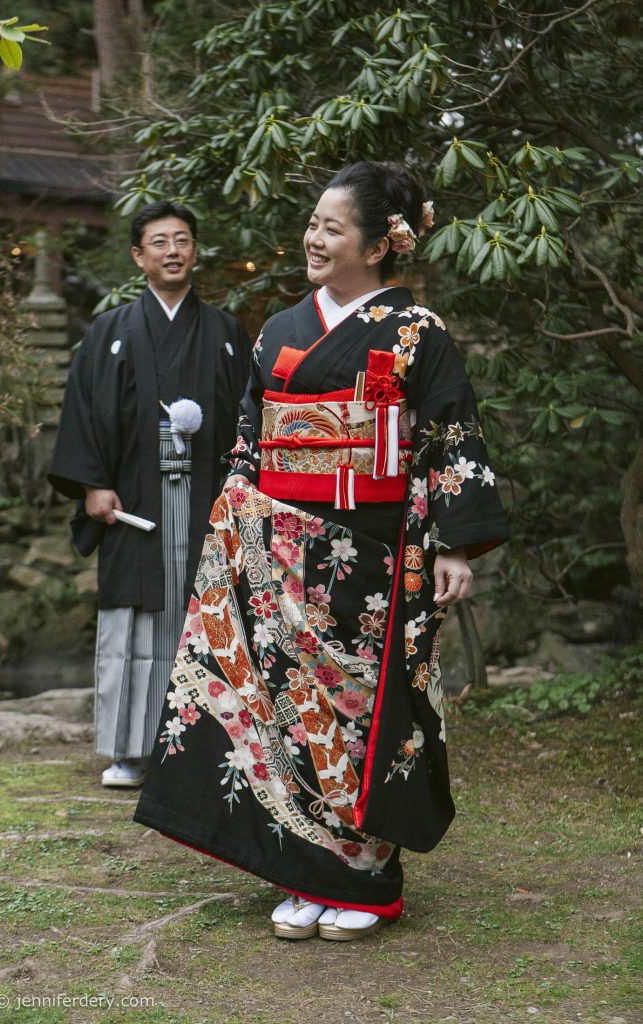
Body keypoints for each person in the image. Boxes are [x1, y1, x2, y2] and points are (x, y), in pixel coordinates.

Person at [134, 162, 509, 938]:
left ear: (378, 247)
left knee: (360, 708)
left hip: (376, 552)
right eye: (313, 223)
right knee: (288, 706)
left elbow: (449, 437)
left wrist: (455, 543)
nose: (313, 236)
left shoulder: (416, 333)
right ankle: (302, 869)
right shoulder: (279, 328)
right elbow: (250, 429)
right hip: (278, 548)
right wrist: (235, 500)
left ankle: (365, 879)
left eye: (331, 228)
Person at [49, 201, 251, 788]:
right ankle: (130, 751)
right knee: (133, 623)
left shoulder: (226, 334)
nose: (172, 250)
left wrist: (241, 490)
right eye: (158, 241)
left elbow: (248, 418)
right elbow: (81, 413)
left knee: (206, 613)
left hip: (206, 500)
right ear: (139, 256)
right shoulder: (109, 332)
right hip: (132, 502)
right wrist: (92, 485)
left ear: (195, 251)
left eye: (182, 239)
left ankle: (201, 748)